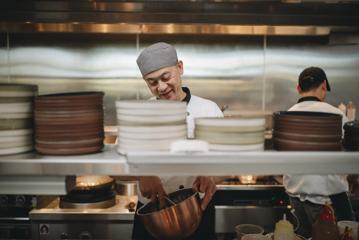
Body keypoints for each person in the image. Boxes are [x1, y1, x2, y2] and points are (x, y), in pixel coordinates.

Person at [132, 42, 224, 240]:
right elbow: (114, 166)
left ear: (180, 67)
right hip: (152, 212)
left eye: (166, 77)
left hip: (198, 208)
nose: (162, 87)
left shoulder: (209, 110)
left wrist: (212, 176)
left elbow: (229, 163)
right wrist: (142, 175)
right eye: (152, 82)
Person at [283, 66, 354, 238]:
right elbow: (349, 155)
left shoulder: (286, 116)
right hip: (327, 200)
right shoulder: (337, 116)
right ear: (323, 86)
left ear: (299, 88)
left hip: (295, 199)